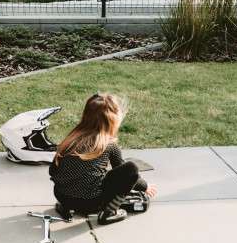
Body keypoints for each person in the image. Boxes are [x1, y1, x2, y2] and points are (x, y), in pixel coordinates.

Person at [49, 93, 157, 224]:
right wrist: (144, 186)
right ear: (112, 121)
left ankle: (66, 207)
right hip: (92, 203)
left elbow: (52, 171)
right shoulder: (109, 145)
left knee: (92, 176)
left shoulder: (71, 140)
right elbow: (126, 175)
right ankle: (109, 213)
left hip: (62, 196)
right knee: (131, 168)